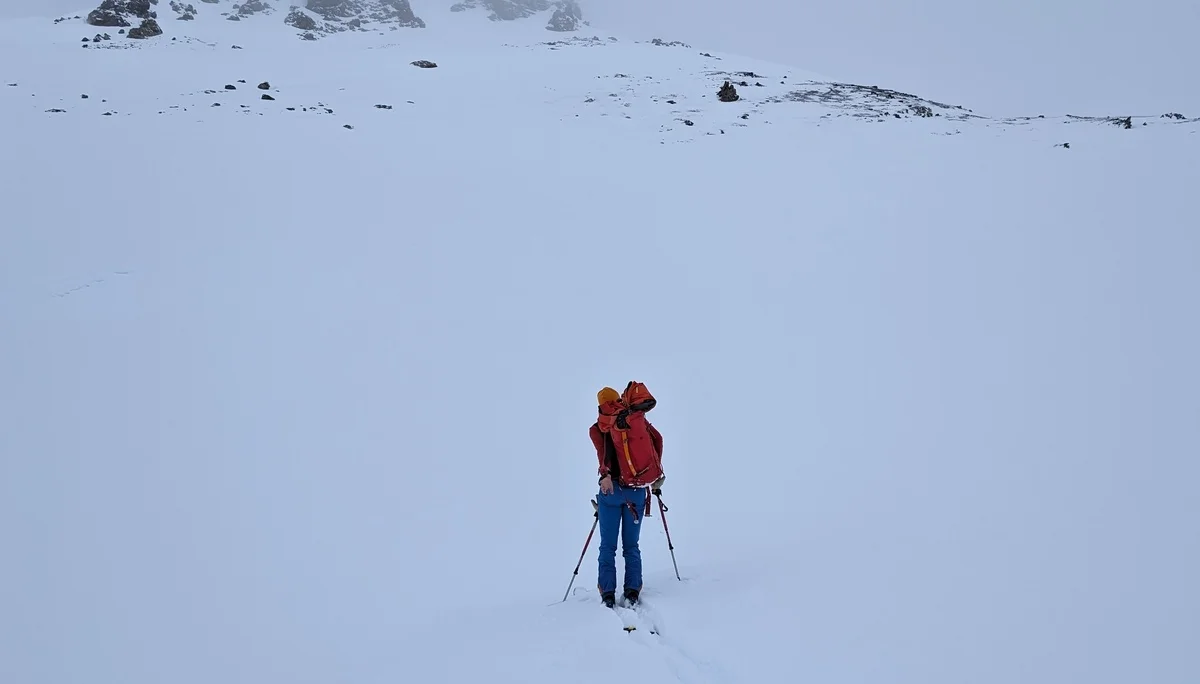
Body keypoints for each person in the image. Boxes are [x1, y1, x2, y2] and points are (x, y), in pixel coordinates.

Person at [589, 383, 664, 608]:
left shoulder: (598, 427)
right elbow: (657, 440)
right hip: (637, 491)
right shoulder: (633, 420)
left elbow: (604, 456)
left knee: (607, 546)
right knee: (631, 546)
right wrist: (655, 472)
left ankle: (608, 594)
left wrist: (605, 475)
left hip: (610, 492)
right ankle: (632, 591)